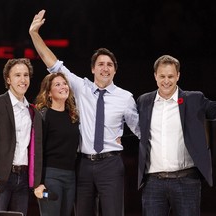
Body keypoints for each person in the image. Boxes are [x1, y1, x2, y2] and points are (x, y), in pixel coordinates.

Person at [29, 9, 140, 216]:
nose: (105, 68)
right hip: (81, 166)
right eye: (100, 64)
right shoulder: (81, 87)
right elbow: (52, 64)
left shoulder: (126, 97)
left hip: (111, 164)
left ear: (115, 70)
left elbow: (141, 131)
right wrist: (34, 34)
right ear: (92, 69)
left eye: (109, 65)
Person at [136, 54, 216, 216]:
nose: (166, 81)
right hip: (153, 183)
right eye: (162, 76)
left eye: (170, 76)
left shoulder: (194, 99)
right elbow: (132, 126)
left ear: (178, 76)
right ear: (155, 76)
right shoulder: (144, 101)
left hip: (186, 181)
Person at [0, 58, 43, 216]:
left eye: (26, 75)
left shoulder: (33, 111)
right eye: (17, 75)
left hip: (23, 179)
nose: (23, 79)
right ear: (8, 79)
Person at [32, 72, 80, 216]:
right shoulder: (43, 115)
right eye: (57, 84)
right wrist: (38, 183)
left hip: (71, 177)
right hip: (50, 176)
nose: (63, 87)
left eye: (64, 83)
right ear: (49, 93)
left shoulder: (73, 116)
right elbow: (36, 150)